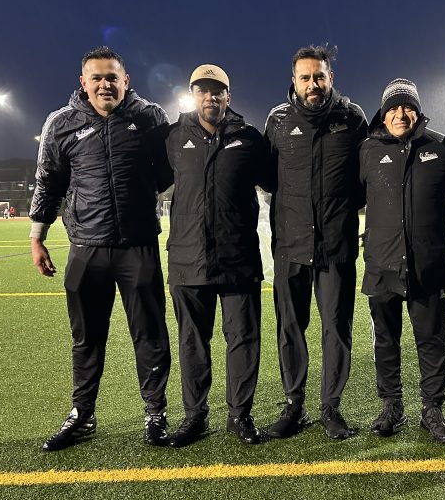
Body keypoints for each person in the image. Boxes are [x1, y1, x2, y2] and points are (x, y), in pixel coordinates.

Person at [30, 46, 173, 451]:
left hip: (138, 245)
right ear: (83, 83)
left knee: (150, 334)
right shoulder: (61, 123)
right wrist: (36, 237)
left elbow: (166, 176)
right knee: (86, 337)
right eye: (97, 77)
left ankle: (155, 412)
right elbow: (48, 182)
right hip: (86, 248)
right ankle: (83, 414)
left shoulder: (149, 118)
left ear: (126, 81)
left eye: (112, 77)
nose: (105, 84)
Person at [264, 44, 367, 439]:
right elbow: (267, 177)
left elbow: (363, 178)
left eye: (319, 76)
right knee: (290, 328)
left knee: (336, 328)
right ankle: (294, 405)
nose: (313, 84)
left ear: (331, 79)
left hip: (335, 247)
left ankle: (330, 407)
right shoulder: (277, 120)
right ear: (294, 81)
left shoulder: (352, 118)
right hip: (289, 245)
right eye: (305, 77)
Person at [164, 64, 270, 447]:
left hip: (238, 259)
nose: (210, 97)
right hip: (187, 260)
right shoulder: (174, 137)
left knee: (243, 339)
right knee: (193, 342)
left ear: (229, 96)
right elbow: (146, 180)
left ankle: (240, 415)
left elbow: (279, 184)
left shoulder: (250, 139)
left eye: (217, 90)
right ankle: (195, 416)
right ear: (193, 94)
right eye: (202, 90)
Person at [359, 79, 445, 443]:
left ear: (417, 110)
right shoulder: (367, 150)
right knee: (386, 342)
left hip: (427, 267)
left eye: (407, 106)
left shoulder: (441, 147)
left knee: (431, 342)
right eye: (393, 108)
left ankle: (432, 409)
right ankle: (392, 406)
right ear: (383, 114)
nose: (401, 114)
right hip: (382, 266)